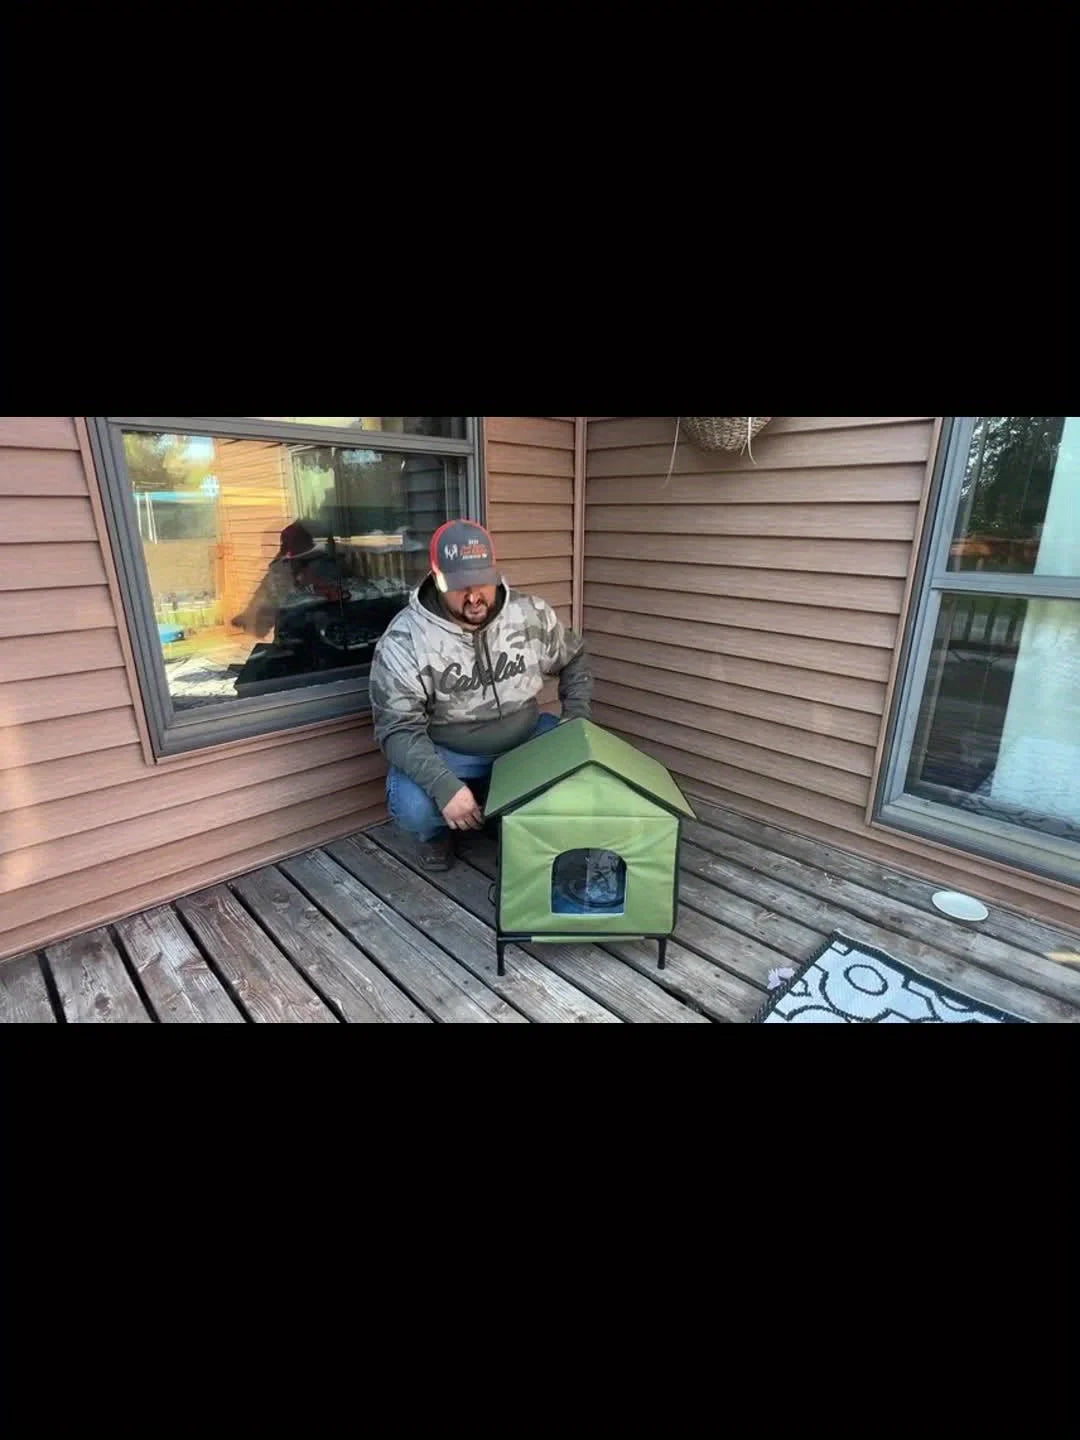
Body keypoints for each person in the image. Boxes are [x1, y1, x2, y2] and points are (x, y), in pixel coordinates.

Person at [370, 519, 592, 871]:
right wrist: (444, 787)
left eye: (482, 582)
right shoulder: (404, 639)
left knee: (585, 770)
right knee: (413, 807)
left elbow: (574, 656)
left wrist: (576, 718)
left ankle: (508, 814)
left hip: (526, 736)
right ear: (437, 579)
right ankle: (439, 836)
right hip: (450, 750)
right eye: (459, 586)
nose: (474, 596)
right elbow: (396, 729)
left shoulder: (530, 613)